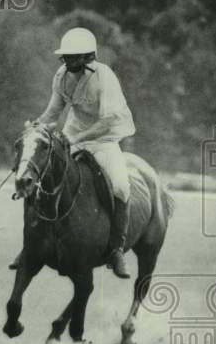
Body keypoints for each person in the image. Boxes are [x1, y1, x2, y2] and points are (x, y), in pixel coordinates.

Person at [10, 27, 136, 278]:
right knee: (40, 174)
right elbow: (52, 113)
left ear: (88, 57)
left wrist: (75, 137)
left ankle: (116, 249)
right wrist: (35, 129)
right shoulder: (61, 75)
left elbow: (105, 123)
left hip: (104, 139)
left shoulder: (105, 77)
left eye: (73, 57)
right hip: (72, 135)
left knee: (121, 186)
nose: (67, 61)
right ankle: (30, 246)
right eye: (66, 56)